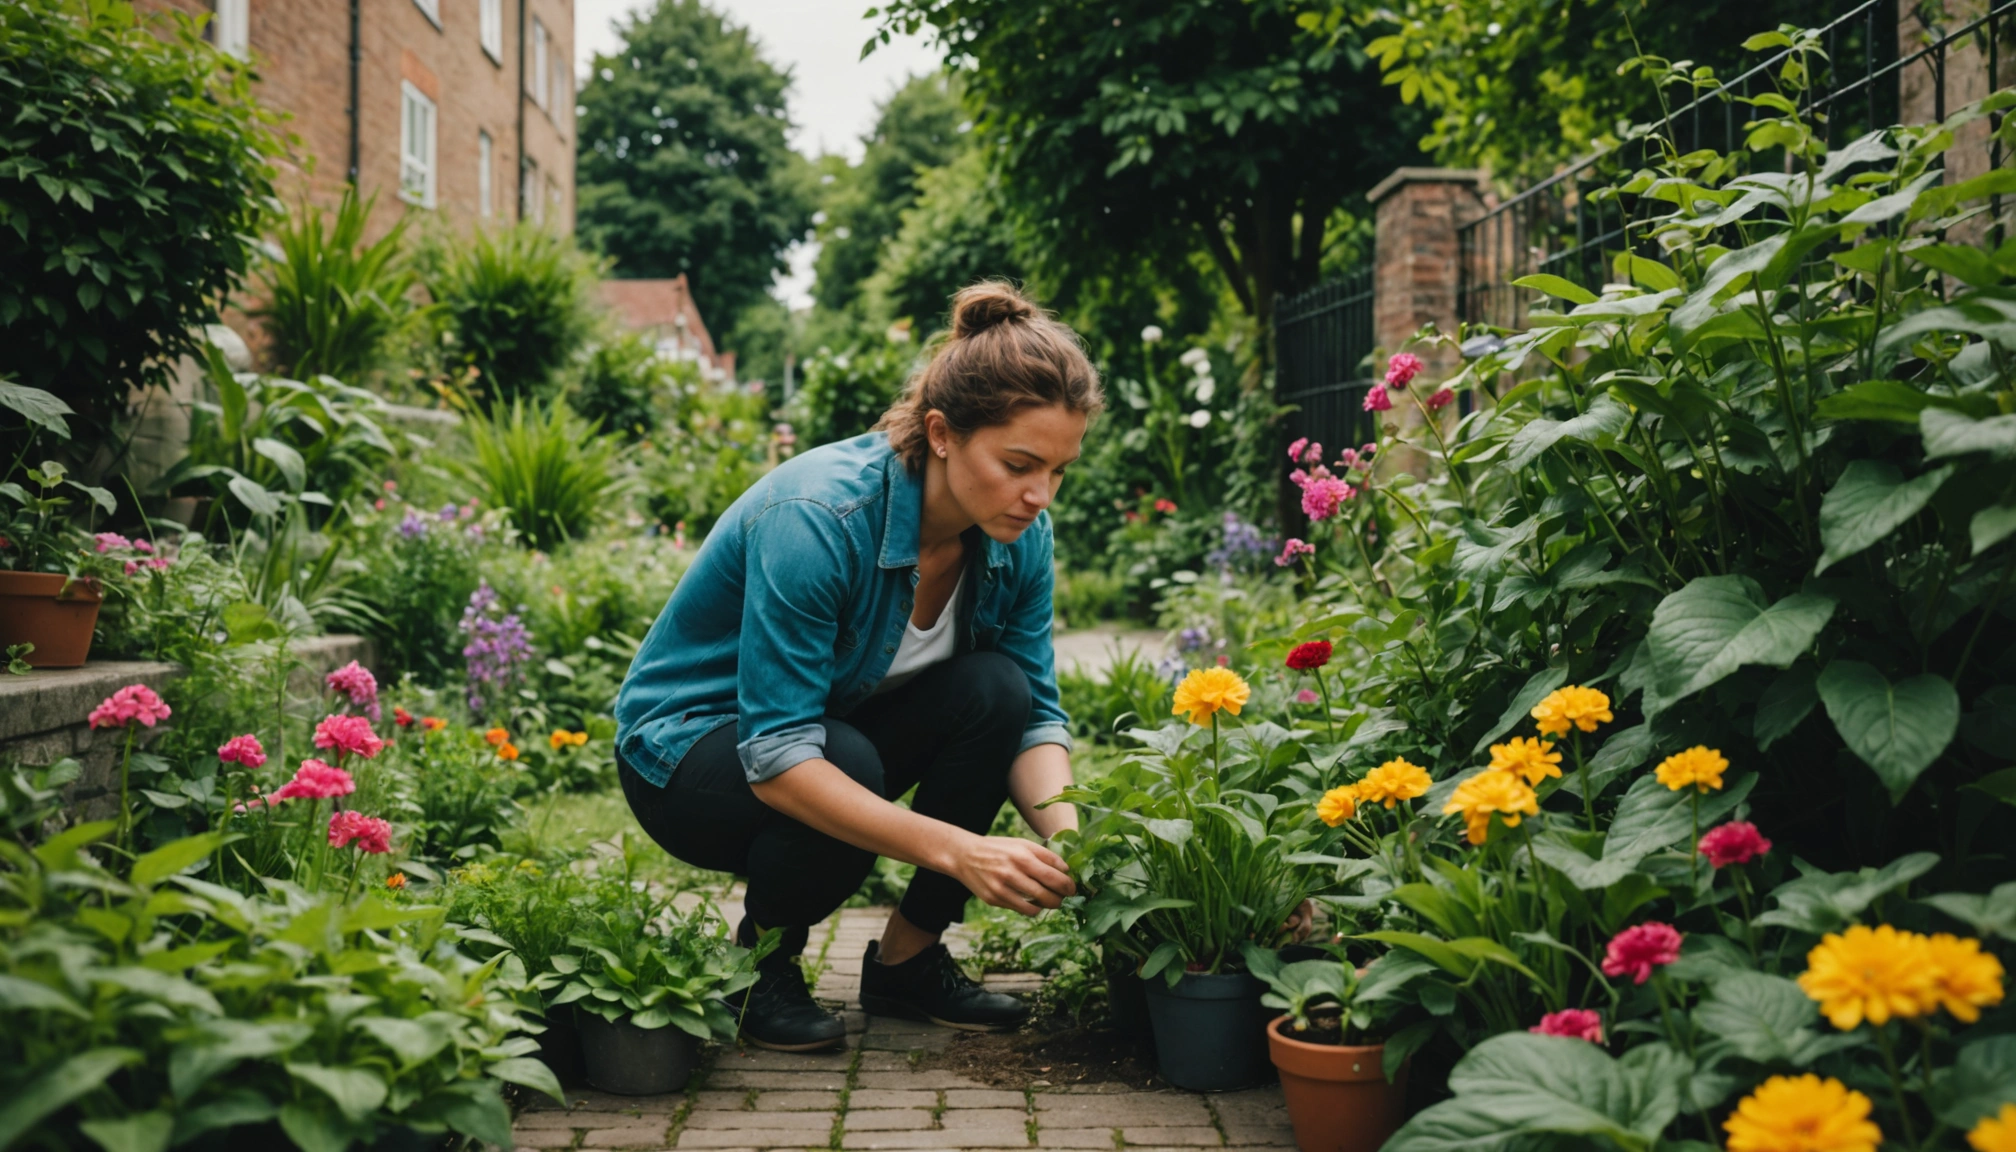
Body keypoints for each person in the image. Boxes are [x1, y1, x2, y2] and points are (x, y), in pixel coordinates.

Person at [615, 282, 1102, 1051]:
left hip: (824, 734)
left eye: (1060, 470)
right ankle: (762, 970)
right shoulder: (819, 519)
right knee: (844, 760)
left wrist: (1079, 852)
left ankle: (908, 961)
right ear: (941, 434)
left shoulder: (1019, 537)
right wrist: (960, 850)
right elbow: (779, 755)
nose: (1040, 495)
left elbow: (1034, 714)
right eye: (1019, 464)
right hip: (683, 758)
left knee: (996, 691)